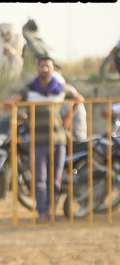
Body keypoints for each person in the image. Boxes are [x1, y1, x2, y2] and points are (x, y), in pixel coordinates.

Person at [5, 55, 83, 223]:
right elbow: (11, 103)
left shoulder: (61, 88)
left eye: (48, 66)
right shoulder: (29, 89)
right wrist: (18, 112)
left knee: (55, 180)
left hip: (58, 140)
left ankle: (50, 210)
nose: (45, 69)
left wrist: (68, 116)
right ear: (38, 69)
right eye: (42, 66)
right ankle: (42, 212)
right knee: (39, 179)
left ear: (53, 69)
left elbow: (79, 99)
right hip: (37, 141)